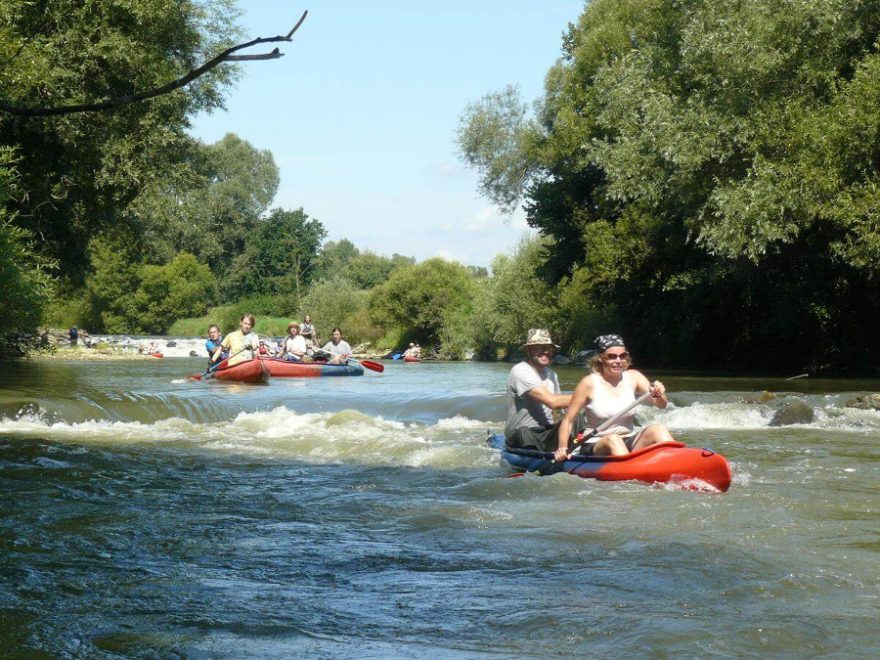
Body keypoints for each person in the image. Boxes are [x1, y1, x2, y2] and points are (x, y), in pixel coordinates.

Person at [554, 334, 673, 462]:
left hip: (629, 439)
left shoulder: (634, 377)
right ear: (601, 358)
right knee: (613, 439)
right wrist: (562, 448)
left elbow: (662, 405)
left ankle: (677, 466)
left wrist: (658, 394)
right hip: (598, 443)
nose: (618, 361)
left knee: (658, 429)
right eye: (612, 357)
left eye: (622, 356)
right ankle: (630, 474)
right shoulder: (588, 383)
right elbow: (568, 420)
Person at [505, 329, 577, 452]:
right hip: (522, 435)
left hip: (546, 432)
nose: (545, 351)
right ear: (528, 350)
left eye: (548, 348)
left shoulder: (552, 374)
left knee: (576, 417)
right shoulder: (520, 371)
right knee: (524, 432)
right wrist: (589, 396)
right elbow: (552, 402)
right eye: (539, 347)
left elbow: (557, 410)